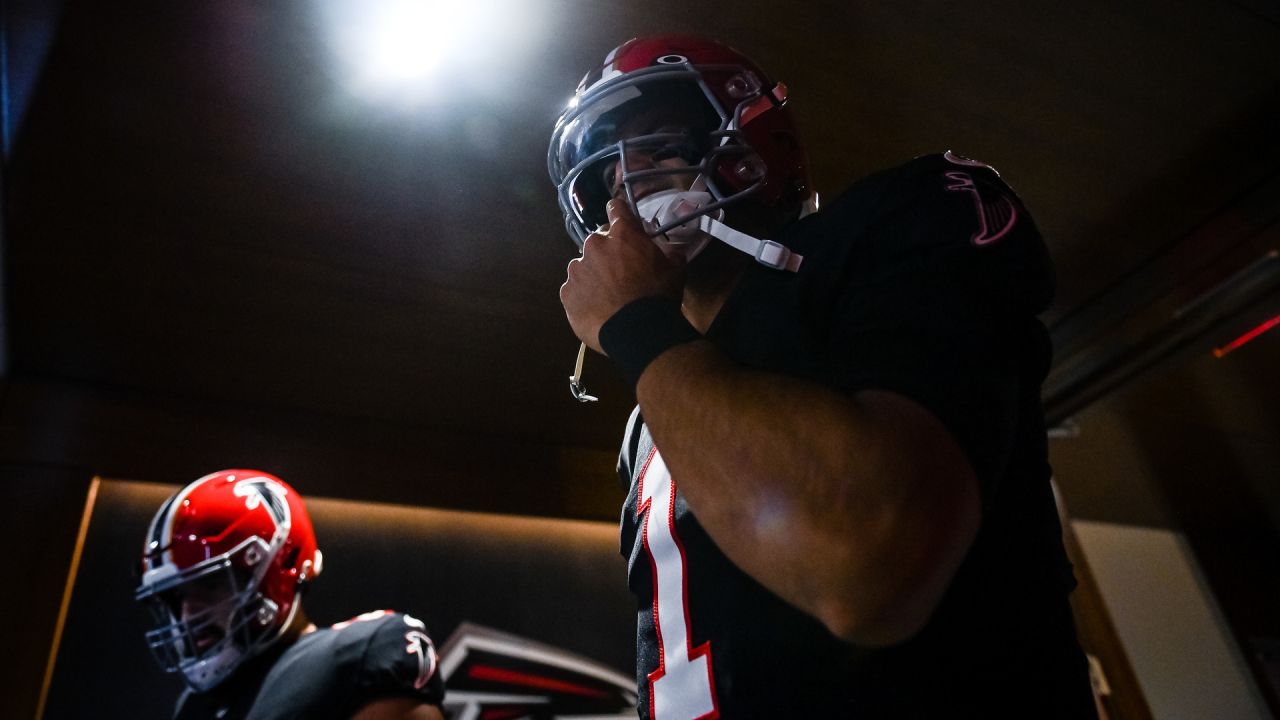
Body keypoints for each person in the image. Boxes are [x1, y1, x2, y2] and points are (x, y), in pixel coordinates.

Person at [548, 35, 1097, 717]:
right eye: (607, 177)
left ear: (752, 144)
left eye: (660, 148)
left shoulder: (895, 222)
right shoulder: (650, 414)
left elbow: (864, 569)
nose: (628, 190)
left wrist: (638, 331)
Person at [135, 469, 446, 720]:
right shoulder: (194, 706)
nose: (188, 612)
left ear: (279, 566)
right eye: (176, 596)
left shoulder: (361, 655)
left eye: (211, 584)